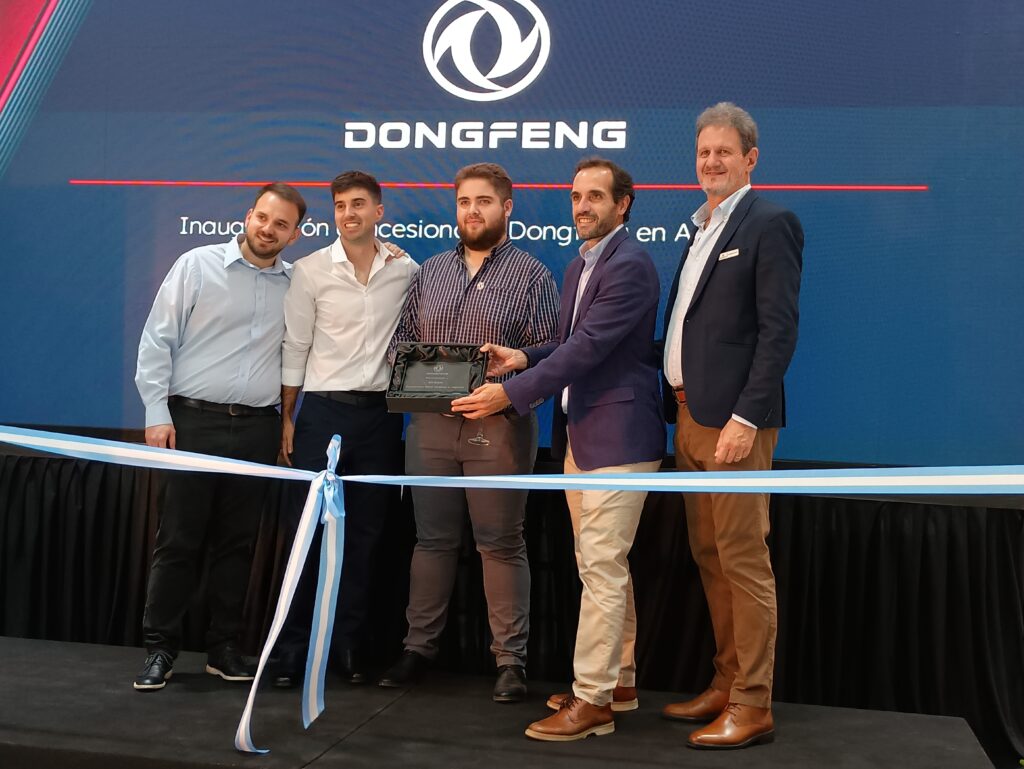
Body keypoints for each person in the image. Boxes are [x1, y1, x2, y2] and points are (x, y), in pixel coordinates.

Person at [451, 157, 665, 741]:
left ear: (623, 204)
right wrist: (524, 357)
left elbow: (589, 348)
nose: (582, 206)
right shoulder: (579, 265)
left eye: (595, 196)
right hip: (582, 437)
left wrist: (510, 392)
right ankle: (619, 682)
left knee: (600, 568)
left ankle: (592, 700)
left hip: (620, 437)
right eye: (576, 196)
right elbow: (569, 344)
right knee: (604, 567)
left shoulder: (631, 264)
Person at [378, 162, 559, 703]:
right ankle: (418, 649)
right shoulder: (429, 272)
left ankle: (510, 661)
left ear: (506, 208)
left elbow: (550, 355)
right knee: (431, 539)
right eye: (464, 202)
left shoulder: (533, 275)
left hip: (499, 426)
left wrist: (505, 387)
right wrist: (417, 379)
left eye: (483, 201)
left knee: (500, 543)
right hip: (430, 427)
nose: (472, 211)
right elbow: (400, 343)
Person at [660, 102, 802, 749]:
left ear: (751, 158)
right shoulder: (700, 227)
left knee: (743, 559)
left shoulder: (770, 222)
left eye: (724, 151)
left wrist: (746, 417)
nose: (711, 161)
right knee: (710, 555)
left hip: (735, 426)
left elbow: (778, 332)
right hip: (689, 416)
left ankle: (753, 702)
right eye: (703, 152)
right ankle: (726, 681)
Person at [133, 183, 306, 691]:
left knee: (237, 545)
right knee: (178, 542)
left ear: (294, 235)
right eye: (263, 218)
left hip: (257, 428)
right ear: (248, 215)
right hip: (192, 423)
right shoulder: (196, 265)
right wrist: (156, 412)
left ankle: (223, 649)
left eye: (281, 225)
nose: (268, 230)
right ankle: (160, 648)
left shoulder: (298, 284)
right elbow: (157, 339)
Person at [273, 171, 418, 686]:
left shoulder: (406, 270)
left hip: (381, 418)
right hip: (322, 415)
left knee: (366, 537)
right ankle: (292, 649)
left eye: (358, 204)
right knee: (306, 535)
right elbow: (295, 347)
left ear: (378, 211)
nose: (348, 213)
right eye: (340, 205)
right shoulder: (310, 271)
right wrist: (288, 417)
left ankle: (349, 646)